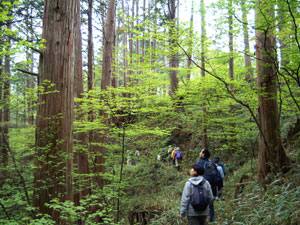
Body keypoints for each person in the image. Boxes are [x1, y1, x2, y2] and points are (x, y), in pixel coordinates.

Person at [195, 148, 218, 222]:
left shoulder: (199, 163)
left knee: (200, 203)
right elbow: (217, 176)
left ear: (203, 154)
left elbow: (195, 175)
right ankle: (211, 220)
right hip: (213, 187)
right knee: (211, 204)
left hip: (201, 187)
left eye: (201, 152)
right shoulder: (212, 163)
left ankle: (201, 220)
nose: (199, 153)